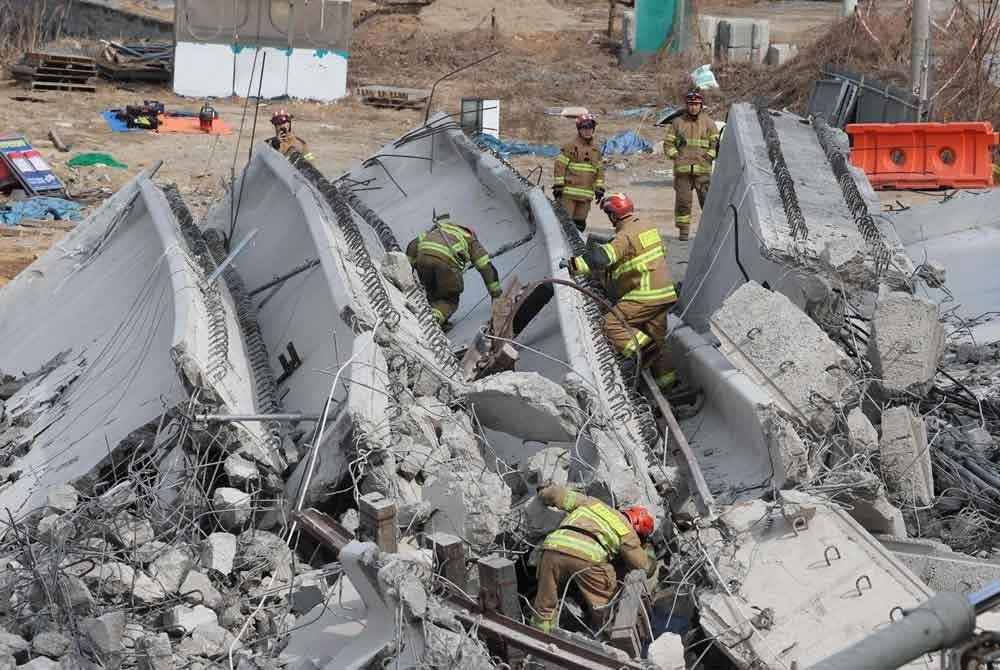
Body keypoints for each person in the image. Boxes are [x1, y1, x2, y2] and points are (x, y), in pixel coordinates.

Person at [566, 193, 679, 391]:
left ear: (613, 214)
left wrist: (574, 264)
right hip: (665, 293)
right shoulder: (647, 227)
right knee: (657, 337)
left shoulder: (624, 236)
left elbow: (601, 258)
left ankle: (645, 350)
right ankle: (669, 386)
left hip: (645, 295)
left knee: (609, 325)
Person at [530, 483, 656, 634]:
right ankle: (604, 638)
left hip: (553, 549)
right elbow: (644, 567)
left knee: (544, 605)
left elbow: (556, 494)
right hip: (587, 558)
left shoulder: (593, 503)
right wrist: (648, 549)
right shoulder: (627, 532)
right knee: (606, 610)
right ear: (637, 529)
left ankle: (540, 637)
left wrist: (543, 491)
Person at [406, 213, 502, 330]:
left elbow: (412, 246)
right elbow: (486, 268)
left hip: (423, 260)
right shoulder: (470, 239)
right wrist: (496, 295)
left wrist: (409, 268)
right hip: (446, 263)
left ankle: (436, 319)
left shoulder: (439, 229)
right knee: (449, 299)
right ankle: (432, 322)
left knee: (433, 293)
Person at [664, 90, 719, 241]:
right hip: (683, 173)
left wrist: (709, 156)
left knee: (707, 203)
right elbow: (668, 144)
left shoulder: (709, 123)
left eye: (696, 104)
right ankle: (683, 232)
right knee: (683, 203)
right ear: (686, 105)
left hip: (703, 172)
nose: (693, 107)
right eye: (691, 104)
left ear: (701, 105)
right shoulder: (677, 123)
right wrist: (676, 155)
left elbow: (716, 144)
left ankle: (711, 232)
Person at [553, 113, 606, 233]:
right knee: (565, 224)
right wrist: (558, 186)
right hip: (568, 195)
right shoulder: (570, 147)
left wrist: (599, 188)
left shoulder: (596, 150)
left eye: (590, 127)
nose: (588, 131)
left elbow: (599, 171)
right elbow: (560, 166)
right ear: (579, 129)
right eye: (584, 128)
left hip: (586, 196)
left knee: (580, 225)